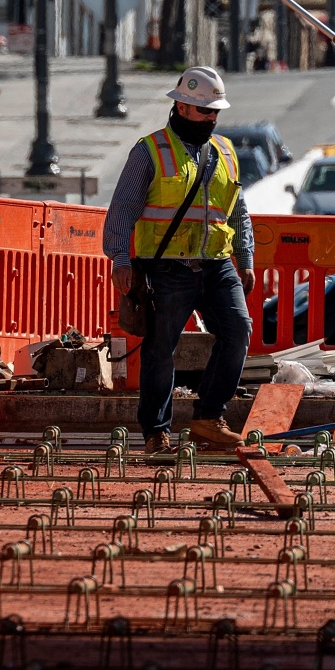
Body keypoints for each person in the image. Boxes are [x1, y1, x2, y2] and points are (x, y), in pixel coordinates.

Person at [103, 66, 255, 456]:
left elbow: (237, 209)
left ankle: (209, 418)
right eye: (205, 111)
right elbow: (123, 209)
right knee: (160, 349)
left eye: (216, 112)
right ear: (183, 107)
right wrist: (120, 258)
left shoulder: (225, 151)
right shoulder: (150, 151)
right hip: (168, 268)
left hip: (217, 264)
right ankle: (156, 432)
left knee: (238, 330)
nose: (212, 118)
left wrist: (245, 256)